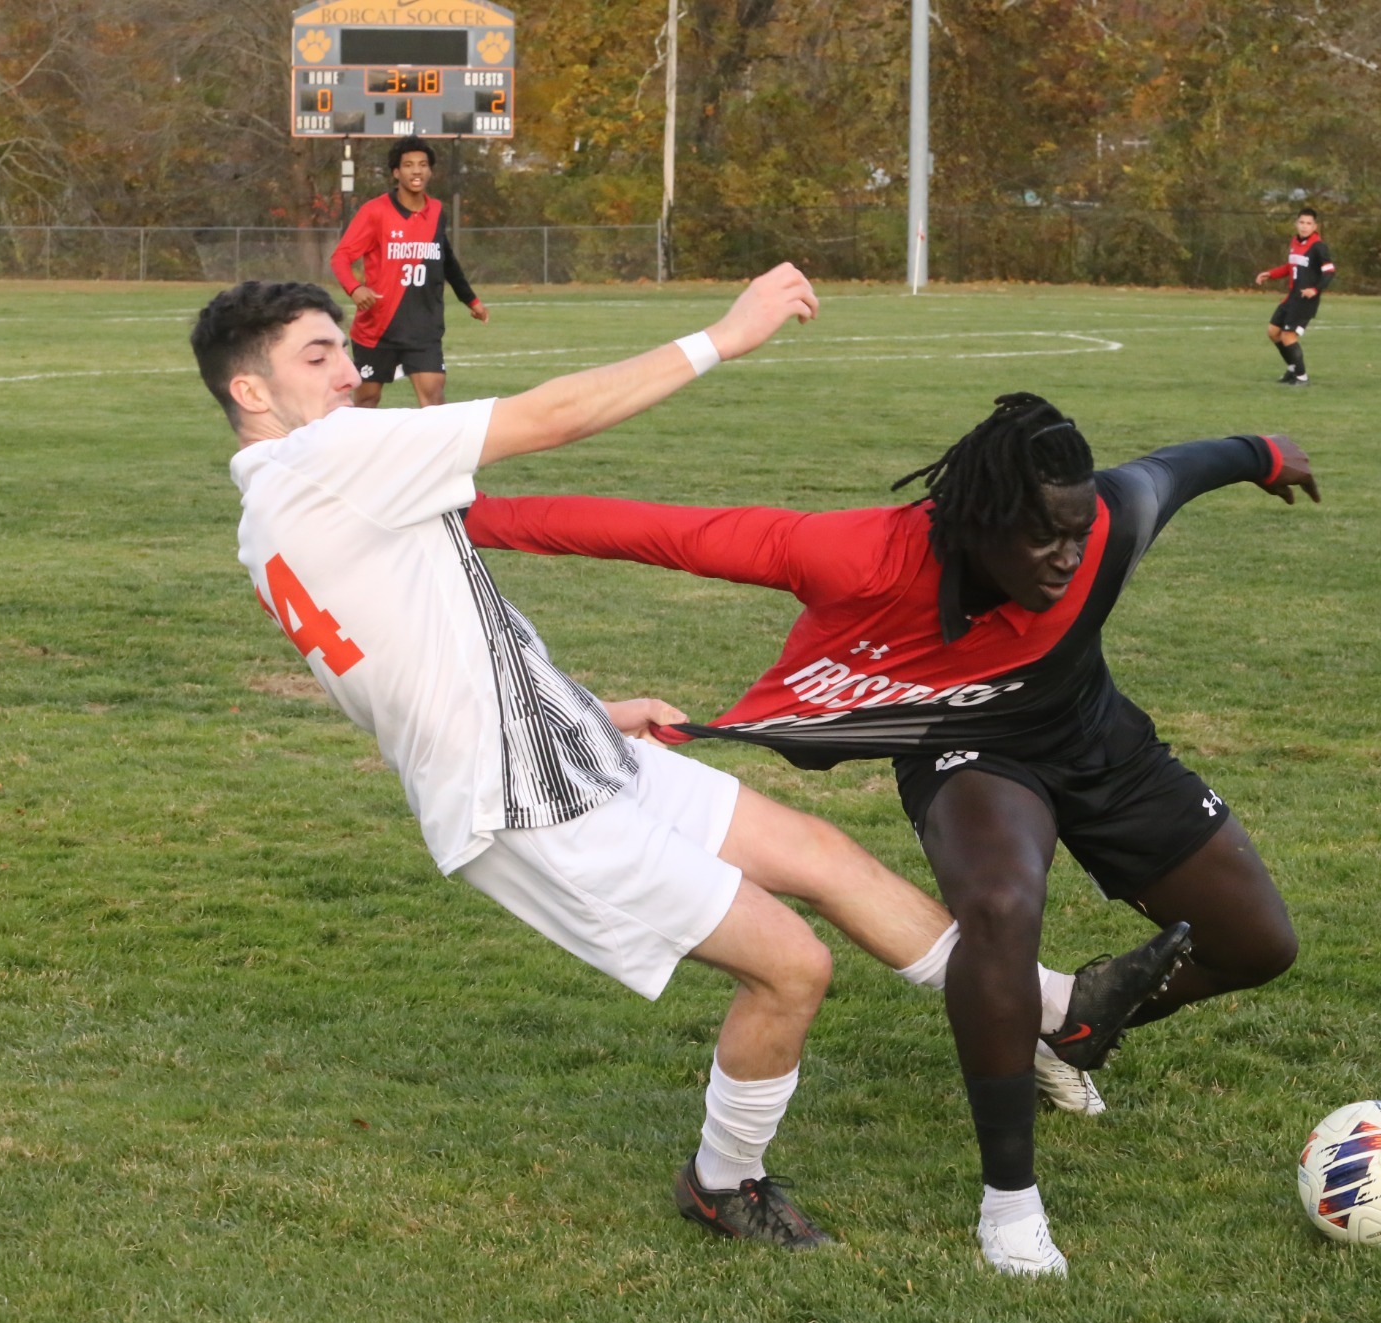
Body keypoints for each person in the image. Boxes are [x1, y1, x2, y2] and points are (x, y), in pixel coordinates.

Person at [188, 275, 1179, 1258]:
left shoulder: (272, 511)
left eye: (343, 348)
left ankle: (1054, 1010)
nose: (349, 370)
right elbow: (550, 415)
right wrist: (725, 336)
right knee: (790, 967)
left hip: (562, 744)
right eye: (317, 355)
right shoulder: (320, 458)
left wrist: (589, 710)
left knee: (822, 856)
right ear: (251, 391)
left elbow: (425, 646)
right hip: (524, 802)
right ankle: (723, 1179)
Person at [461, 392, 1322, 1275]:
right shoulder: (863, 556)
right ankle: (1010, 1205)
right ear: (979, 520)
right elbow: (662, 533)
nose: (1070, 558)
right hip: (966, 746)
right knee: (1000, 906)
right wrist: (465, 516)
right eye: (1045, 539)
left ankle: (1055, 1028)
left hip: (1099, 743)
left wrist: (1261, 452)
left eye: (1077, 534)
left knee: (1259, 945)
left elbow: (1178, 469)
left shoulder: (1110, 520)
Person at [329, 136, 488, 408]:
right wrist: (355, 288)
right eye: (409, 165)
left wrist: (471, 300)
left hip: (423, 328)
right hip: (378, 328)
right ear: (396, 172)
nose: (417, 171)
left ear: (430, 171)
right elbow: (340, 257)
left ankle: (434, 441)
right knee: (366, 400)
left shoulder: (437, 211)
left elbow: (447, 260)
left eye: (423, 165)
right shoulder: (375, 211)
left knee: (434, 399)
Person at [1253, 207, 1335, 386]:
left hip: (1305, 300)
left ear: (1315, 226)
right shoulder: (1295, 242)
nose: (1304, 226)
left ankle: (1302, 377)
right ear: (1296, 224)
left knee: (1288, 336)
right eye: (1301, 222)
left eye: (1308, 223)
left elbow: (1329, 271)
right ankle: (1292, 369)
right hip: (1292, 297)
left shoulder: (1318, 247)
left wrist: (1315, 289)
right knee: (1273, 332)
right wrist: (1270, 274)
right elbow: (1290, 267)